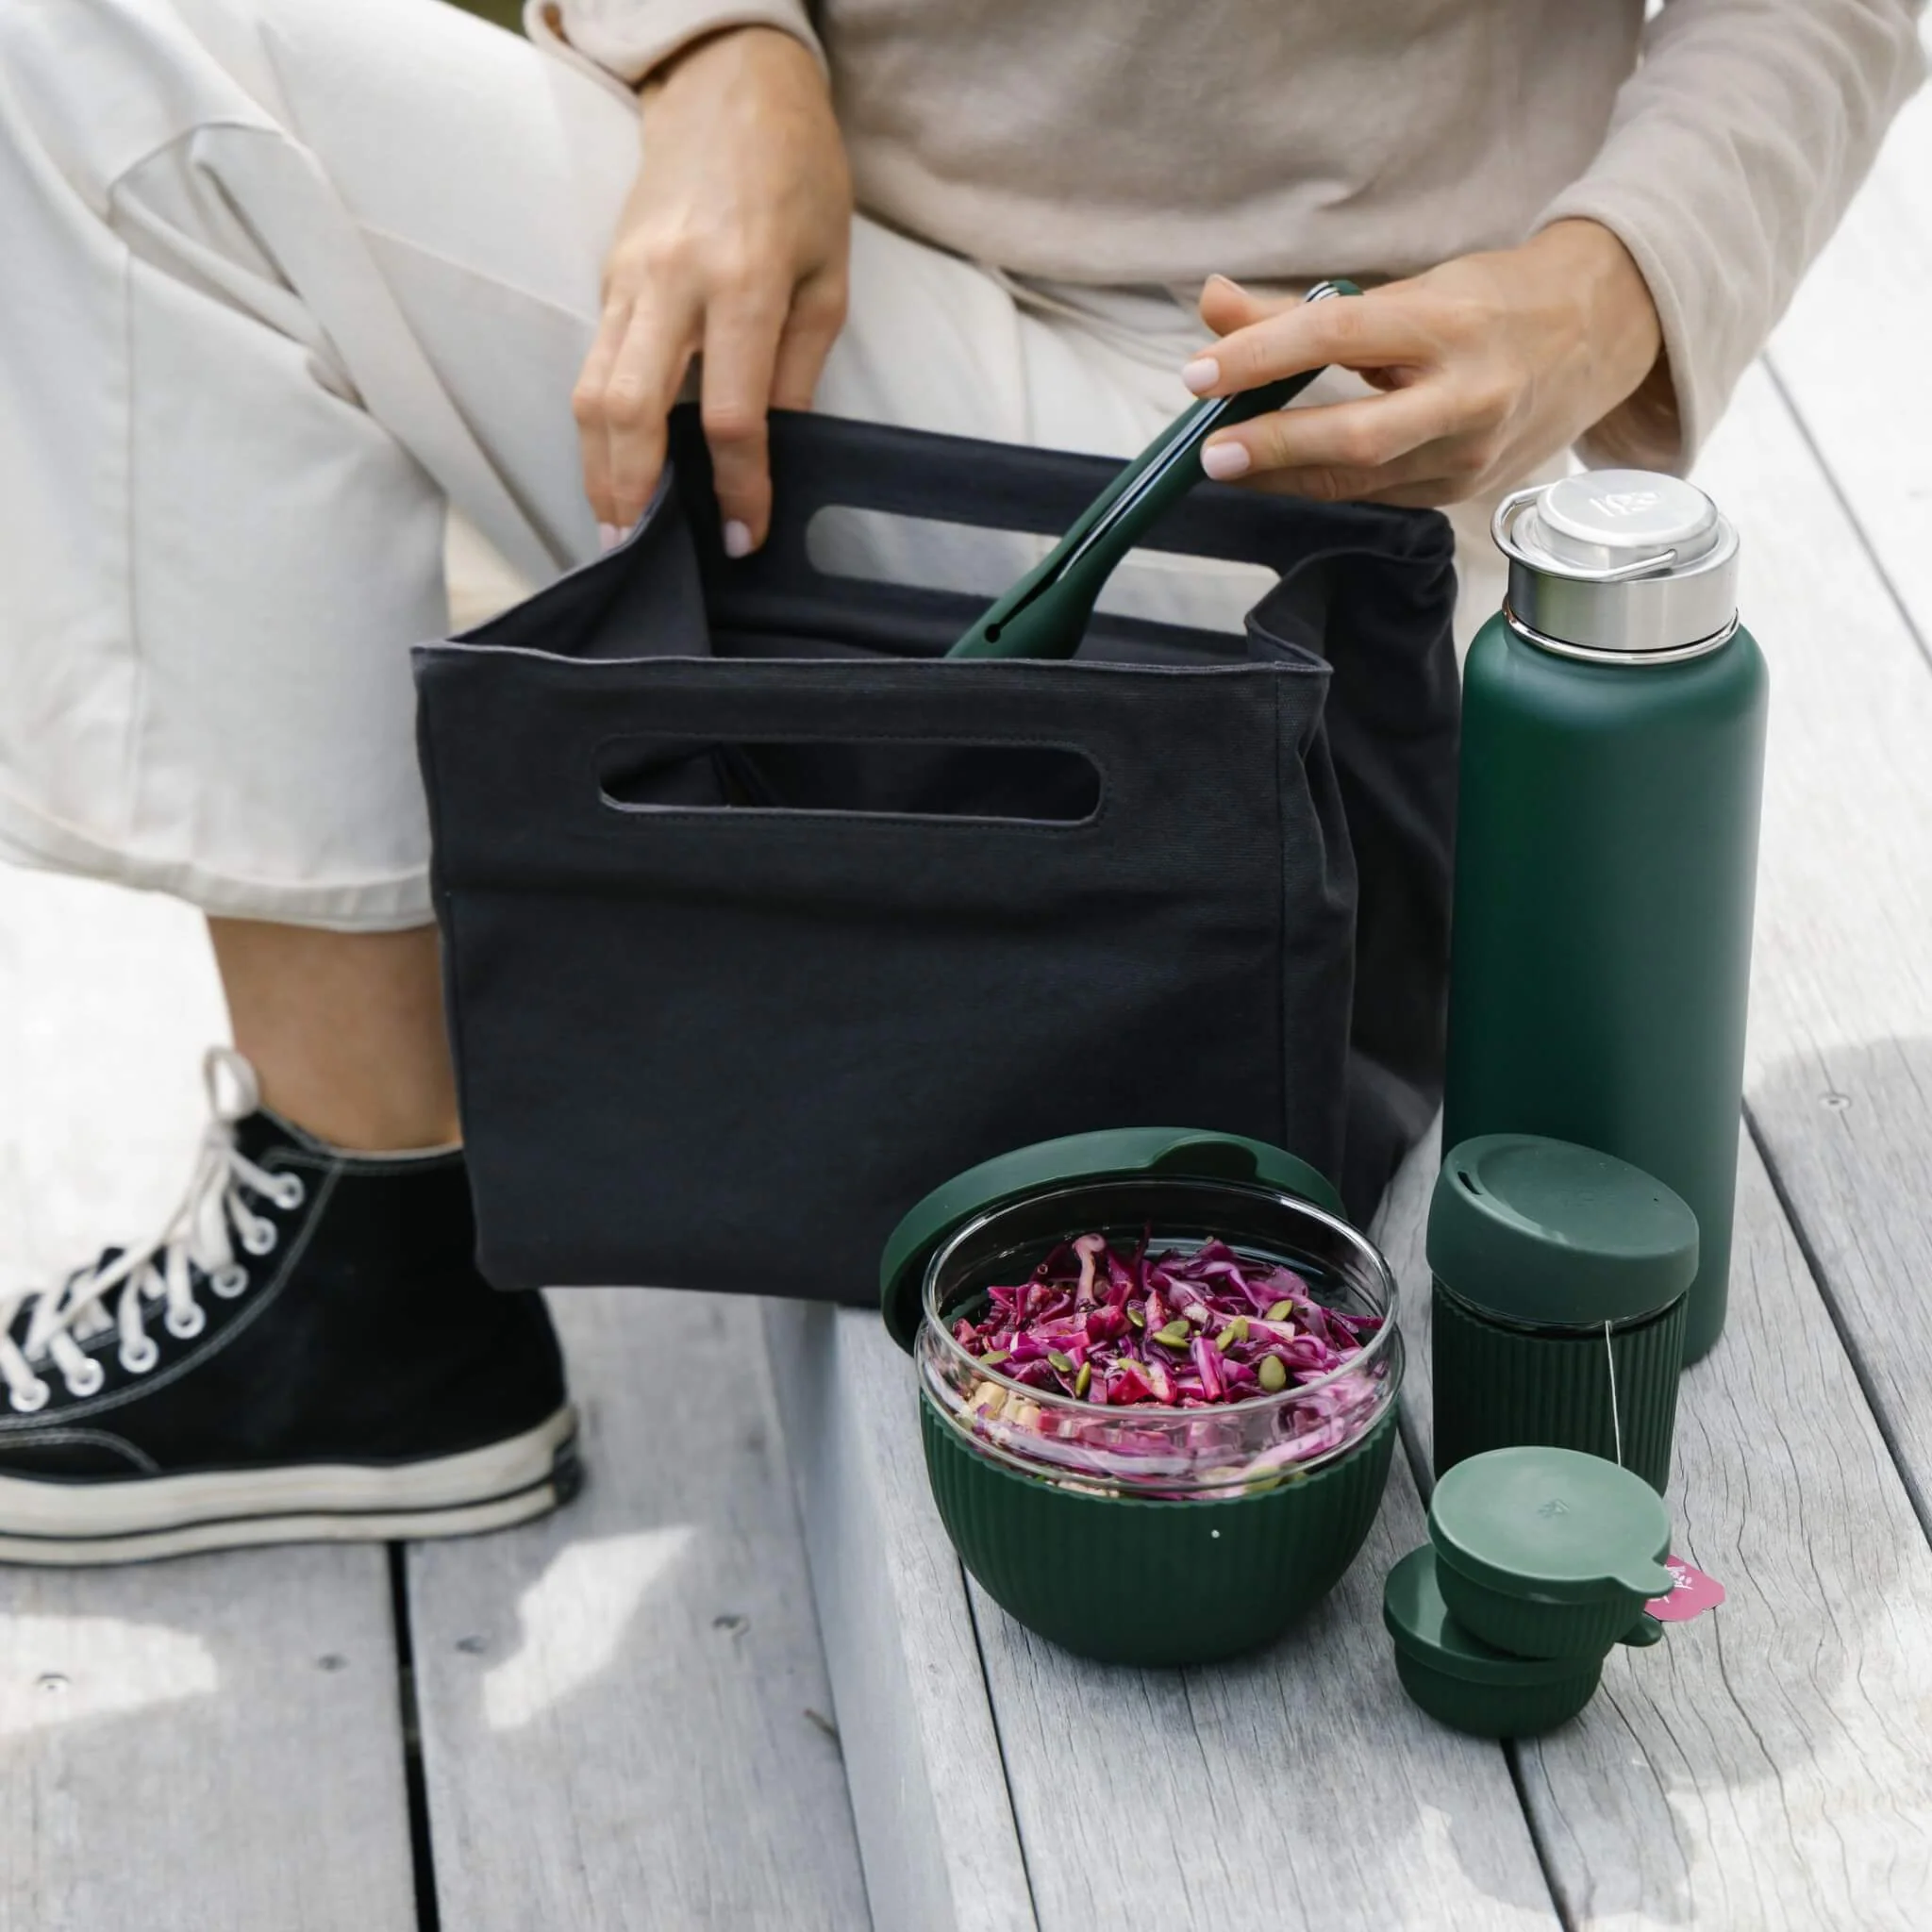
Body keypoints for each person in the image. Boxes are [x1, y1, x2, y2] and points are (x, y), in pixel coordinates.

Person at [0, 0, 1920, 1561]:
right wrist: (715, 47)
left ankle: (369, 1261)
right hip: (814, 277)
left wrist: (1603, 289)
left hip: (1304, 432)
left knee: (115, 74)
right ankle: (363, 1228)